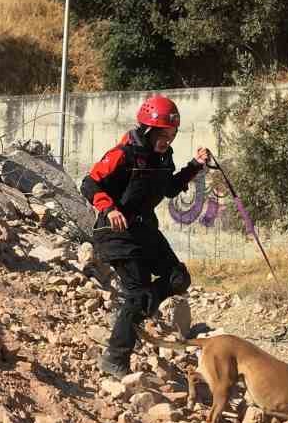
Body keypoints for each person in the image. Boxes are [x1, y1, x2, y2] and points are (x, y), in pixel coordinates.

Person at [80, 93, 213, 378]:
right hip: (116, 232)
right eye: (163, 134)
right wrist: (109, 208)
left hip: (144, 230)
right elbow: (89, 183)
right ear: (148, 130)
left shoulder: (164, 157)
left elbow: (169, 188)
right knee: (137, 293)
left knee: (179, 278)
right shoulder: (123, 153)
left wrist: (195, 165)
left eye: (172, 134)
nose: (168, 139)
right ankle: (115, 358)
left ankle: (138, 312)